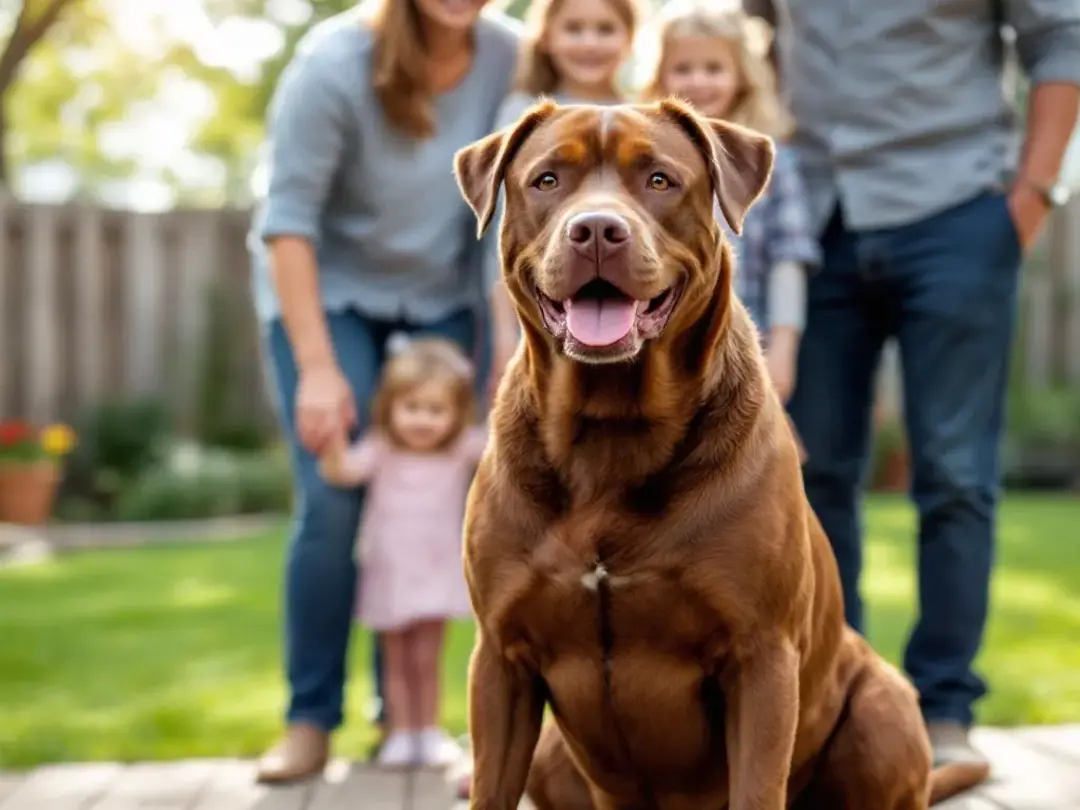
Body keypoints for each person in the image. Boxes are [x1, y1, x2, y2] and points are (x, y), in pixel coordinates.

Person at [778, 0, 1080, 766]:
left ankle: (944, 707)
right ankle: (834, 702)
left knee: (953, 473)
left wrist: (1032, 195)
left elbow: (1061, 39)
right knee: (814, 476)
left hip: (954, 211)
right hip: (814, 218)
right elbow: (762, 31)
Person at [249, 0, 519, 783]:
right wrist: (320, 366)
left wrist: (503, 336)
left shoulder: (511, 55)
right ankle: (309, 719)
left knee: (454, 501)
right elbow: (288, 222)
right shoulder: (334, 64)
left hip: (448, 301)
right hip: (330, 300)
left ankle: (412, 720)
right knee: (335, 502)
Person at [319, 337, 485, 768]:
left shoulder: (458, 450)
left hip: (435, 569)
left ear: (456, 413)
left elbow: (498, 445)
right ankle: (400, 732)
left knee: (426, 658)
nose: (423, 420)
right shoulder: (381, 448)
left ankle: (429, 731)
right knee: (394, 658)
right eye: (412, 407)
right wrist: (332, 439)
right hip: (389, 571)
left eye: (436, 410)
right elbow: (343, 471)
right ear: (390, 407)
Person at [644, 0, 819, 405]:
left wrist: (783, 349)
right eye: (683, 69)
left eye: (714, 69)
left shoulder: (774, 160)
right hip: (663, 350)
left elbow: (788, 259)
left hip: (746, 348)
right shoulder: (646, 160)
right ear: (659, 75)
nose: (698, 82)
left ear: (741, 76)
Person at [484, 0, 640, 395]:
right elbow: (504, 238)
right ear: (547, 37)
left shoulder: (642, 119)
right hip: (543, 316)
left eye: (605, 29)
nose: (589, 42)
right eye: (574, 28)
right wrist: (507, 336)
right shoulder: (525, 118)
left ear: (630, 38)